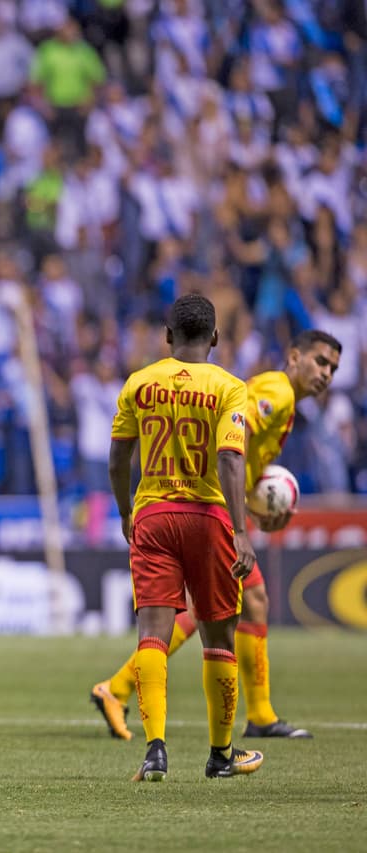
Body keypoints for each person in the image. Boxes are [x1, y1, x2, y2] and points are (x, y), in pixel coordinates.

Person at [91, 329, 342, 741]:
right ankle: (116, 688)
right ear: (294, 357)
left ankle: (260, 715)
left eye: (332, 368)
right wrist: (235, 511)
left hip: (215, 504)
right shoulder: (276, 393)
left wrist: (255, 505)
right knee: (203, 612)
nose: (326, 373)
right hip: (209, 508)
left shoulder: (283, 400)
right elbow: (233, 440)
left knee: (250, 601)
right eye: (320, 361)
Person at [106, 293, 264, 782]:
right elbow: (230, 459)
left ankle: (155, 750)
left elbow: (117, 459)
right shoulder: (229, 388)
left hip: (153, 515)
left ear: (167, 336)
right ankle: (221, 755)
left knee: (152, 632)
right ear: (215, 337)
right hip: (208, 517)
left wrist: (126, 510)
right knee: (218, 636)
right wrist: (240, 531)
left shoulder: (140, 383)